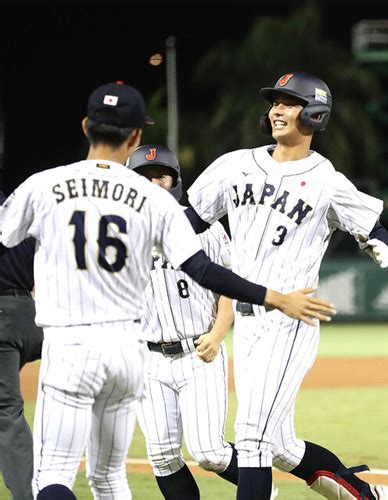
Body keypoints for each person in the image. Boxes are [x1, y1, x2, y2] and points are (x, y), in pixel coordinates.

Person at [0, 80, 336, 500]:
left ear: (86, 125)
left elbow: (8, 243)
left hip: (71, 346)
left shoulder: (44, 185)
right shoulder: (153, 204)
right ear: (136, 135)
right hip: (127, 355)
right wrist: (273, 296)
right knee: (109, 477)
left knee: (54, 473)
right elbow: (203, 269)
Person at [185, 72, 388, 500]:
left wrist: (379, 245)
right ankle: (364, 495)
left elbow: (375, 228)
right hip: (247, 325)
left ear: (315, 114)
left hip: (290, 320)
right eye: (275, 102)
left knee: (252, 438)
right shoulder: (235, 165)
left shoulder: (326, 180)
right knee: (279, 445)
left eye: (289, 102)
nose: (277, 109)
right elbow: (187, 221)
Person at [127, 144, 239, 498]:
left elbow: (229, 287)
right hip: (148, 359)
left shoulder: (203, 227)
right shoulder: (120, 233)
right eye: (144, 178)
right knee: (161, 455)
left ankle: (261, 488)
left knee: (210, 452)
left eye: (161, 176)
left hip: (198, 352)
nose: (154, 184)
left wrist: (218, 335)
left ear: (174, 181)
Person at [0, 190, 43, 500]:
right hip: (33, 316)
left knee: (7, 408)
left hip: (4, 320)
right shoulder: (19, 211)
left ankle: (24, 495)